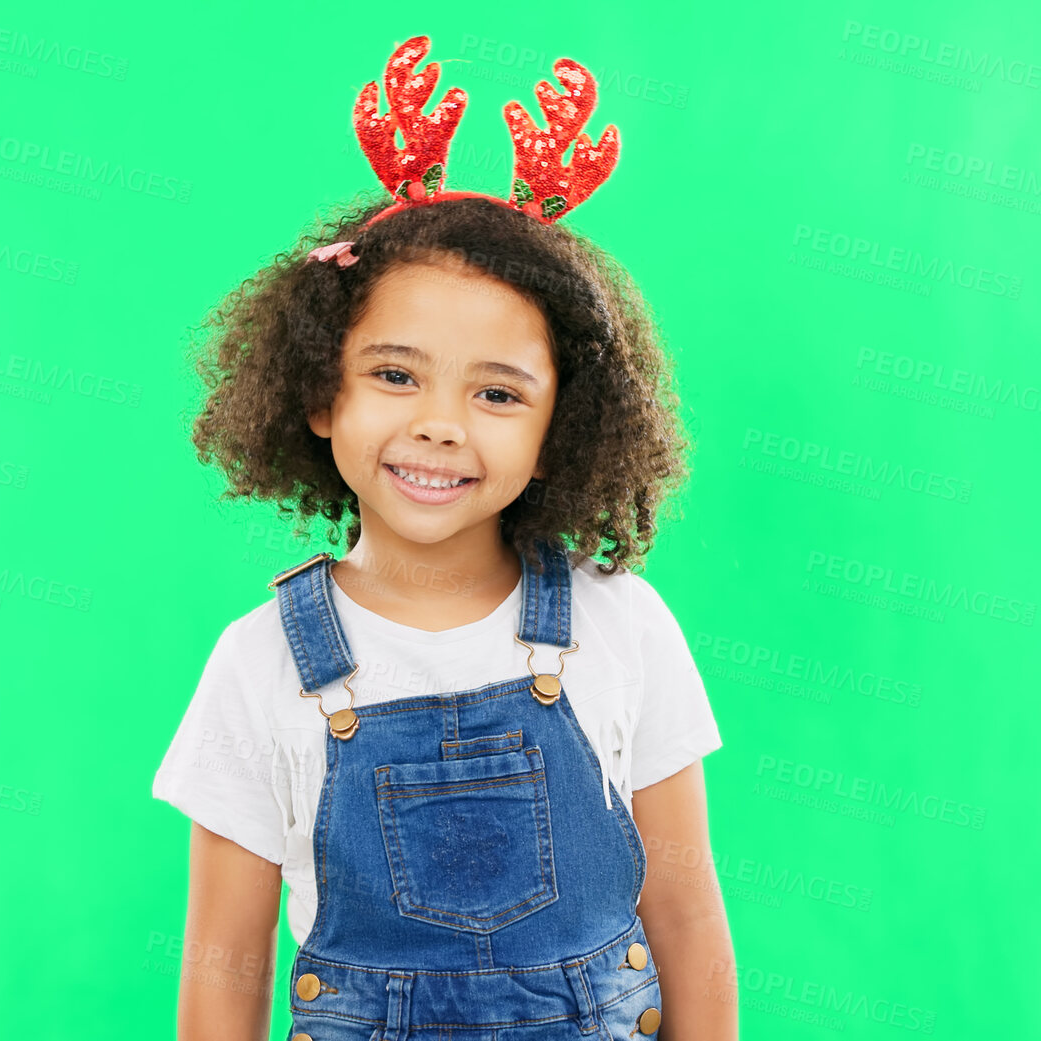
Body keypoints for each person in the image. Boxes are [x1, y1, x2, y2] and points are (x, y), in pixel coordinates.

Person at [152, 34, 736, 1040]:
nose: (440, 424)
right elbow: (223, 973)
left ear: (562, 433)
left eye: (498, 393)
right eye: (395, 374)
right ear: (319, 393)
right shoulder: (257, 665)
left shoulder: (623, 626)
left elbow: (685, 916)